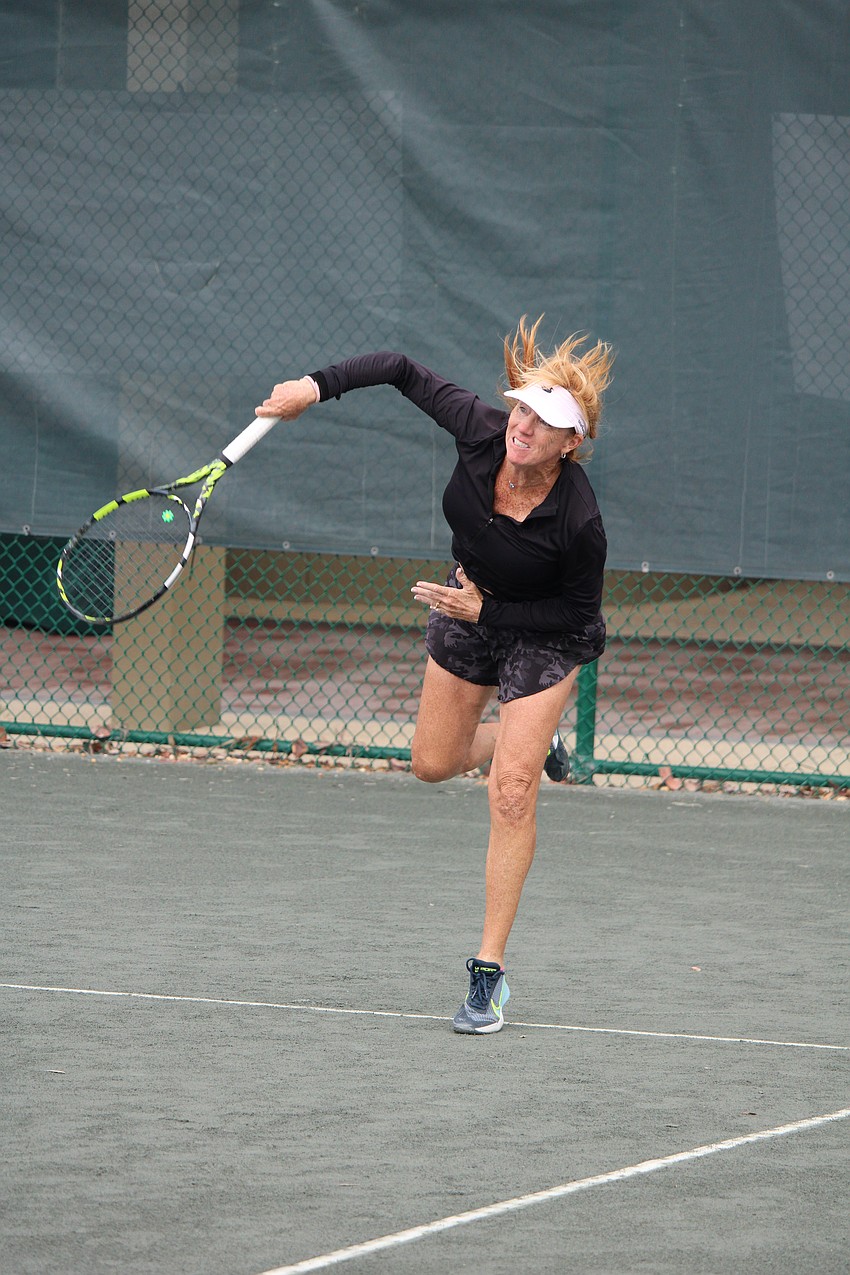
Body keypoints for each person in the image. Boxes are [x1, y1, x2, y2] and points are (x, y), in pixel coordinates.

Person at [256, 316, 614, 1034]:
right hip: (467, 599)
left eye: (543, 421)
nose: (523, 425)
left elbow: (585, 622)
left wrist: (498, 610)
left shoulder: (579, 523)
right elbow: (397, 366)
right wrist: (311, 387)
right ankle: (531, 744)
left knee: (508, 792)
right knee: (433, 763)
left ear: (569, 443)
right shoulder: (481, 430)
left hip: (545, 629)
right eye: (521, 407)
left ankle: (488, 973)